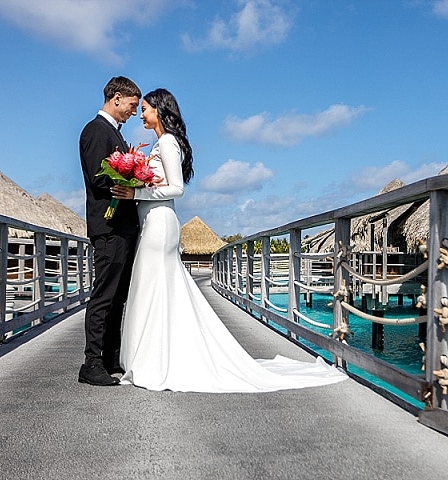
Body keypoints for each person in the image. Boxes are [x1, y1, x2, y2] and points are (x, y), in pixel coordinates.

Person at [111, 89, 346, 392]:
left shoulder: (168, 142)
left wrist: (136, 192)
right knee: (154, 286)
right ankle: (153, 355)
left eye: (145, 109)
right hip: (150, 221)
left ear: (160, 109)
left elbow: (177, 189)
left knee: (155, 285)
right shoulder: (159, 143)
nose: (141, 114)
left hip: (160, 222)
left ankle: (157, 360)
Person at [78, 76, 142, 386]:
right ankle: (91, 362)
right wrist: (131, 180)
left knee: (118, 296)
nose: (134, 112)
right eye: (132, 105)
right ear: (116, 98)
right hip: (108, 226)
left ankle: (109, 357)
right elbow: (98, 178)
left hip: (123, 227)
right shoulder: (95, 131)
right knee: (104, 294)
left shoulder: (115, 134)